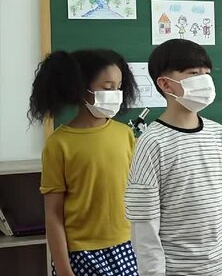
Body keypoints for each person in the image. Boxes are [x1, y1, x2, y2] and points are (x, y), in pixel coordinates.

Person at [124, 39, 222, 276]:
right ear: (166, 84)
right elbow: (145, 228)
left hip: (220, 270)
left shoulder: (219, 134)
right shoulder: (151, 142)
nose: (205, 80)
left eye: (207, 73)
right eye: (194, 73)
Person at [28, 49, 139, 276]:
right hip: (81, 254)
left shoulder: (125, 135)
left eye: (118, 88)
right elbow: (53, 214)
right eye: (107, 88)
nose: (115, 94)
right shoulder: (59, 144)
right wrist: (64, 269)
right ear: (80, 89)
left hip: (128, 245)